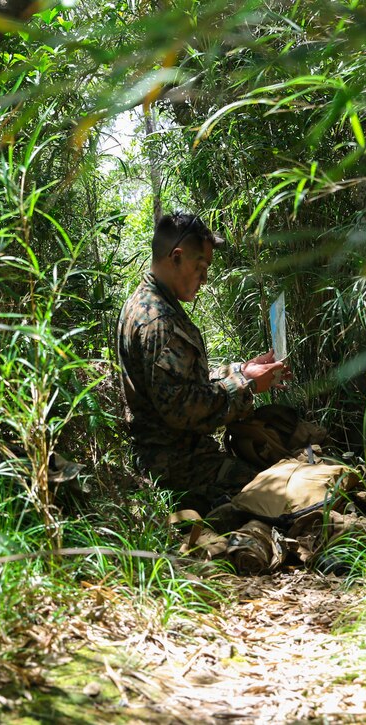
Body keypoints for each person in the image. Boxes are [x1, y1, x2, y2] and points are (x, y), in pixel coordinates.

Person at [116, 212, 289, 514]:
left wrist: (241, 371)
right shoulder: (158, 320)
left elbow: (181, 379)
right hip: (176, 470)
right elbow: (182, 407)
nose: (205, 278)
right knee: (279, 494)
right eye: (201, 267)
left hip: (177, 457)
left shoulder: (149, 303)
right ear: (177, 257)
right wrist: (247, 386)